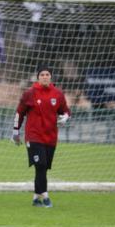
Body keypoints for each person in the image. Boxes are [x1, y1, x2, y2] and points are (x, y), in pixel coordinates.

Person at [11, 65, 71, 208]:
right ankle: (45, 196)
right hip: (34, 137)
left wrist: (65, 117)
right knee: (41, 165)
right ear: (38, 77)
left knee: (43, 168)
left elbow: (66, 111)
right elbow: (19, 113)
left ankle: (36, 198)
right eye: (42, 74)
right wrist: (15, 131)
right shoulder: (30, 93)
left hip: (50, 137)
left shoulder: (57, 94)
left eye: (47, 74)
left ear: (51, 77)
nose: (45, 76)